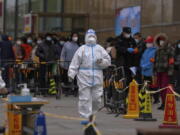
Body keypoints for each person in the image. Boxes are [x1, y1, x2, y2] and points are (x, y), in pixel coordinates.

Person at [68, 29, 111, 118]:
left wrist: (101, 61)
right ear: (86, 38)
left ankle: (93, 115)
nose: (91, 38)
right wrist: (71, 74)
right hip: (84, 76)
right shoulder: (82, 49)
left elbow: (108, 61)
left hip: (97, 76)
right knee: (84, 98)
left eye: (93, 36)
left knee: (97, 98)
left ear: (96, 37)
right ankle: (85, 117)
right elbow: (75, 62)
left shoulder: (100, 49)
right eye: (89, 36)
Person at [153, 33, 174, 110]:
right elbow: (155, 61)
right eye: (160, 40)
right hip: (158, 71)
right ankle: (163, 103)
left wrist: (170, 72)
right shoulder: (157, 50)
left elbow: (171, 61)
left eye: (162, 40)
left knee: (165, 88)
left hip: (166, 71)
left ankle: (166, 103)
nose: (161, 42)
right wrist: (154, 71)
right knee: (160, 88)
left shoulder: (170, 49)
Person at [140, 36, 159, 103]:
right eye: (147, 43)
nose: (147, 44)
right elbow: (142, 59)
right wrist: (142, 65)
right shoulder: (146, 51)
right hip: (144, 71)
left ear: (151, 43)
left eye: (148, 42)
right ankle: (148, 98)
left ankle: (156, 99)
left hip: (151, 71)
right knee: (146, 85)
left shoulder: (155, 51)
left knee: (153, 86)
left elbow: (152, 61)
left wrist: (145, 66)